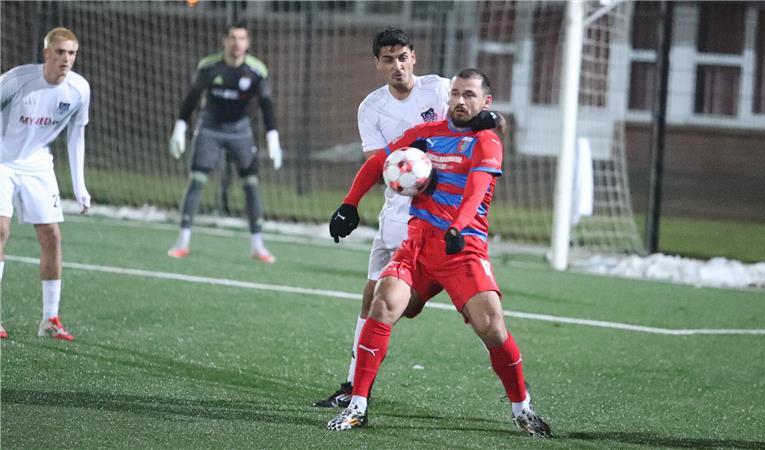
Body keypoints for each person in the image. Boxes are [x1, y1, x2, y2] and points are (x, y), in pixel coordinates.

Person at [326, 69, 552, 438]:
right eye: (456, 93)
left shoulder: (486, 142)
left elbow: (476, 191)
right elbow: (378, 162)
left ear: (485, 102)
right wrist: (350, 203)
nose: (460, 101)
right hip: (417, 246)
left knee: (491, 326)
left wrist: (458, 228)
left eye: (469, 95)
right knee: (383, 303)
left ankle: (522, 407)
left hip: (462, 249)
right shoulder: (426, 134)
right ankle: (358, 406)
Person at [313, 28, 503, 408]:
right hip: (396, 215)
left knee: (466, 313)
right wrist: (351, 204)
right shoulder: (371, 108)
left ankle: (515, 387)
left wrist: (490, 119)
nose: (397, 66)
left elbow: (476, 118)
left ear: (413, 57)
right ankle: (353, 386)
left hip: (441, 217)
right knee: (375, 299)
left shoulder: (439, 89)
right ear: (378, 64)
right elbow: (380, 163)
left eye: (403, 57)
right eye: (388, 59)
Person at [0, 27, 92, 341]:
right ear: (46, 53)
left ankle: (50, 319)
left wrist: (79, 186)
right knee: (1, 229)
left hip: (38, 163)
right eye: (60, 52)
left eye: (72, 53)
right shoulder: (17, 80)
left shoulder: (79, 89)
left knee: (51, 235)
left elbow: (77, 135)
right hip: (1, 161)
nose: (66, 59)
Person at [167, 21, 282, 263]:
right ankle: (182, 242)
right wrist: (180, 127)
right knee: (196, 180)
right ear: (224, 41)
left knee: (251, 184)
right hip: (209, 129)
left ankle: (258, 246)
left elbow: (266, 105)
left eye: (241, 38)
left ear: (248, 43)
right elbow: (191, 98)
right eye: (232, 38)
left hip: (241, 132)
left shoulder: (256, 71)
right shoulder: (209, 67)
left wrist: (273, 138)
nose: (236, 43)